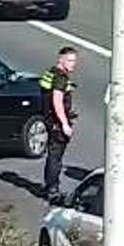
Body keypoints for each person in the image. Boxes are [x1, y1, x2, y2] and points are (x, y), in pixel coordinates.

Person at [39, 47, 79, 202]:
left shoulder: (51, 72)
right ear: (60, 59)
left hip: (49, 119)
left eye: (74, 60)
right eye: (69, 60)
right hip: (56, 123)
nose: (73, 64)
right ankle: (52, 191)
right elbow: (57, 100)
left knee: (52, 156)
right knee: (56, 157)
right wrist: (64, 124)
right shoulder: (60, 78)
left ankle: (49, 186)